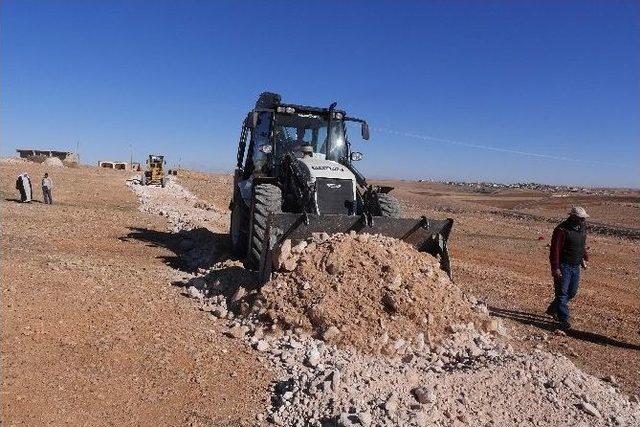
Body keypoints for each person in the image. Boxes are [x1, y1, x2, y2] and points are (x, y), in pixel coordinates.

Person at [546, 206, 589, 330]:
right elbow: (555, 250)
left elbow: (581, 244)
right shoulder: (561, 230)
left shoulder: (582, 228)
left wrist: (584, 257)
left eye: (584, 218)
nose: (583, 220)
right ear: (573, 217)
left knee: (572, 292)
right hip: (563, 266)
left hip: (575, 266)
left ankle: (553, 308)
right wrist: (556, 268)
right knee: (562, 293)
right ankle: (563, 319)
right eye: (581, 218)